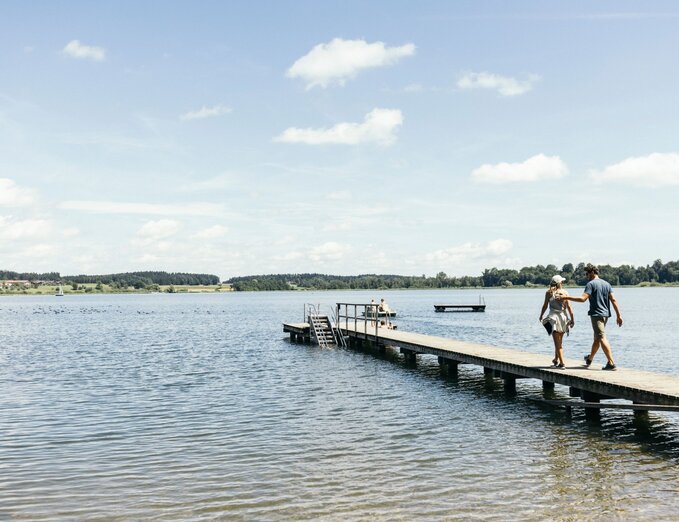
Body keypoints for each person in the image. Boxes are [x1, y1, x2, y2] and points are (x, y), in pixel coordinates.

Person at [558, 263, 623, 370]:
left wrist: (566, 297)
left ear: (592, 272)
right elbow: (613, 300)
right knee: (597, 338)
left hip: (596, 314)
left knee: (601, 337)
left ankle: (611, 363)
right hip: (605, 315)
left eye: (587, 273)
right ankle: (590, 359)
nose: (586, 276)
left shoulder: (591, 284)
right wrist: (618, 315)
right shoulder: (607, 284)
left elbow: (583, 299)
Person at [539, 275, 575, 368]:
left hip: (553, 318)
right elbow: (570, 308)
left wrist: (541, 315)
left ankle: (562, 364)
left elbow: (545, 306)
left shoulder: (549, 293)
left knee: (557, 343)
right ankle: (556, 360)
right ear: (560, 283)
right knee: (559, 341)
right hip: (563, 318)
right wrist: (572, 319)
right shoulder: (565, 292)